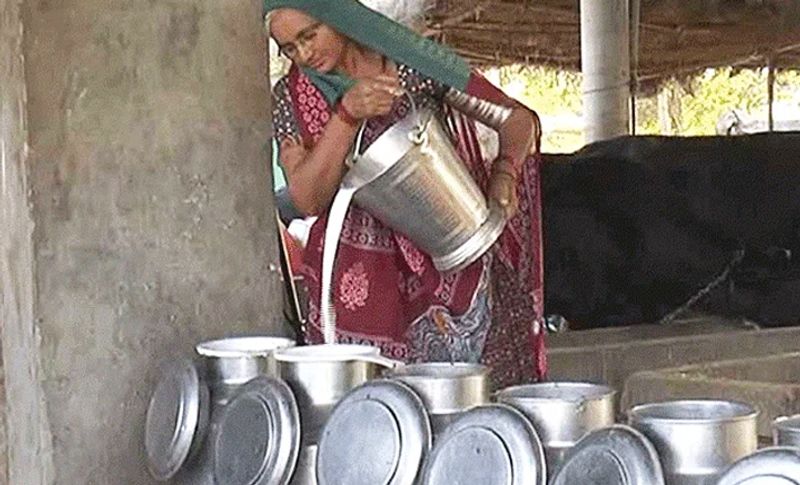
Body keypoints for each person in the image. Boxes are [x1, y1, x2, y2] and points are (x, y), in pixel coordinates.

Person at [266, 0, 545, 388]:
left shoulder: (410, 62)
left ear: (338, 17)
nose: (305, 54)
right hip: (358, 289)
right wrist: (346, 117)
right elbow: (306, 198)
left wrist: (504, 174)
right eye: (289, 49)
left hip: (451, 248)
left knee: (470, 399)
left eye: (309, 35)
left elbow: (516, 119)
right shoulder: (291, 97)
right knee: (377, 410)